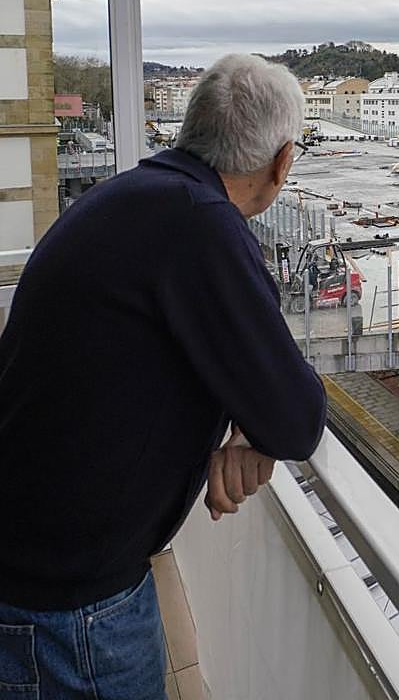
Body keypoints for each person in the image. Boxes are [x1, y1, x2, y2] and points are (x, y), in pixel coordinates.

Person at [0, 54, 327, 699]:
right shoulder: (200, 224)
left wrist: (242, 420)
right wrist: (254, 424)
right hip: (67, 610)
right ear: (282, 162)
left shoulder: (135, 195)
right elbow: (295, 417)